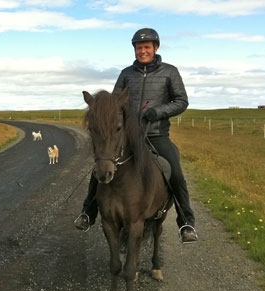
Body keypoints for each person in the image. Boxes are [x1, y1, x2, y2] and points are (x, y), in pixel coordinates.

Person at [74, 28, 198, 243]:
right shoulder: (126, 73)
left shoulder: (170, 72)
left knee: (175, 172)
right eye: (139, 47)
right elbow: (113, 104)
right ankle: (88, 213)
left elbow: (181, 101)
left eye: (146, 47)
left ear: (155, 48)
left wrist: (157, 112)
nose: (142, 51)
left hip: (157, 134)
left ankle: (186, 222)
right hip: (129, 137)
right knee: (101, 170)